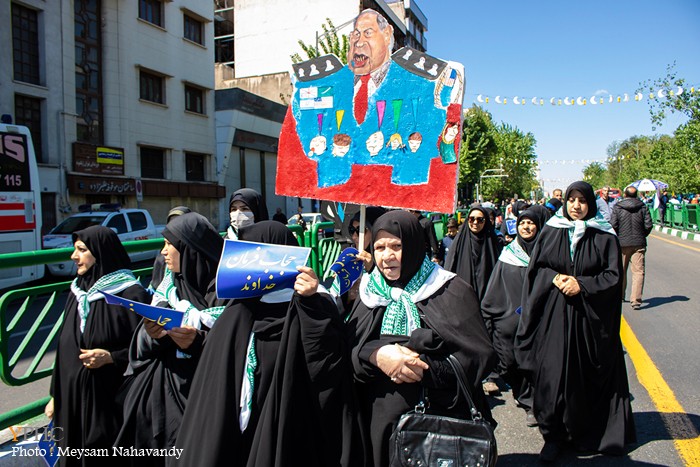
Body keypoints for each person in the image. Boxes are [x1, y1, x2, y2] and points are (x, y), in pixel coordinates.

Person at [174, 221, 360, 466]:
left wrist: (310, 303)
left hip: (289, 429)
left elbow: (326, 364)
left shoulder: (313, 303)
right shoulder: (238, 308)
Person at [348, 210, 496, 467]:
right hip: (378, 425)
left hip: (435, 428)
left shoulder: (449, 290)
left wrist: (419, 368)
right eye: (380, 247)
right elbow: (350, 348)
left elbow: (478, 357)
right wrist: (376, 355)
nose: (387, 256)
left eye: (397, 246)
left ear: (415, 245)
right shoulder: (369, 292)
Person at [515, 181, 636, 462]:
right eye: (572, 200)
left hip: (588, 321)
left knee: (584, 377)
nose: (576, 206)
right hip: (554, 318)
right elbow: (537, 269)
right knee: (552, 374)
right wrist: (555, 277)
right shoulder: (552, 230)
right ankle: (553, 436)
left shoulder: (604, 235)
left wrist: (582, 284)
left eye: (582, 200)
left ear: (590, 203)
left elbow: (613, 276)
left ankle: (584, 434)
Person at [116, 213, 227, 463]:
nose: (164, 252)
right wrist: (152, 335)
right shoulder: (167, 289)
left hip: (204, 399)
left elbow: (238, 350)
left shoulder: (225, 294)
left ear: (191, 249)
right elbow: (139, 348)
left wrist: (198, 342)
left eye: (170, 244)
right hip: (161, 402)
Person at [46, 226, 149, 466]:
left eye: (82, 250)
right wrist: (55, 396)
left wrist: (112, 357)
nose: (74, 256)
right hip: (72, 401)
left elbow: (147, 349)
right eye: (75, 250)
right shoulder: (77, 292)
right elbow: (63, 350)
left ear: (101, 253)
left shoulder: (130, 295)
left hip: (109, 403)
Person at [481, 205, 549, 427]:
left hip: (541, 321)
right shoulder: (508, 255)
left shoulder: (547, 253)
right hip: (511, 322)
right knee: (511, 363)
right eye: (522, 223)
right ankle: (524, 396)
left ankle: (534, 405)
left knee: (538, 364)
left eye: (531, 223)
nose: (526, 227)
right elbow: (494, 291)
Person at [610, 186, 653, 310]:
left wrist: (618, 237)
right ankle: (636, 301)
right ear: (636, 194)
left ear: (625, 194)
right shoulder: (643, 207)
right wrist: (642, 235)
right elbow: (648, 225)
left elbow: (613, 224)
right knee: (638, 272)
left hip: (622, 243)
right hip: (639, 244)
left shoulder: (618, 207)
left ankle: (620, 296)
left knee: (621, 271)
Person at [149, 206, 191, 291]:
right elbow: (155, 287)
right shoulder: (162, 259)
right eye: (172, 223)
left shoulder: (197, 257)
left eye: (179, 223)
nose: (164, 252)